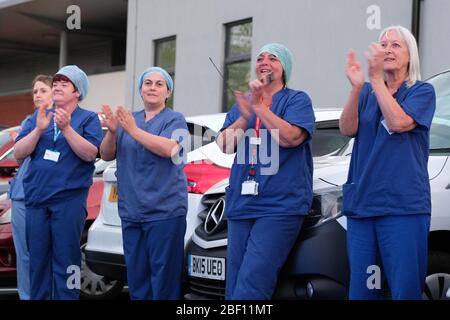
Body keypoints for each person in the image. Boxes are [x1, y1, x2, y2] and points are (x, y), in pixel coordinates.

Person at [339, 25, 436, 300]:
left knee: (404, 290)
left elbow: (398, 122)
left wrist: (376, 81)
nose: (388, 50)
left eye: (395, 45)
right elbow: (347, 129)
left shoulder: (422, 91)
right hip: (362, 207)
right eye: (383, 45)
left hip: (402, 208)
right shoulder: (368, 92)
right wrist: (358, 88)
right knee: (364, 291)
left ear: (410, 55)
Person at [216, 43, 315, 299]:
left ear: (284, 69)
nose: (265, 62)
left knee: (252, 284)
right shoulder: (242, 105)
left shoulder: (296, 99)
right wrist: (243, 116)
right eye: (260, 58)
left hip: (279, 206)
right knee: (234, 284)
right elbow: (225, 145)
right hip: (241, 204)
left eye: (274, 58)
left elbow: (292, 138)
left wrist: (261, 109)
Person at [14, 65, 103, 300]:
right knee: (38, 261)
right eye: (56, 83)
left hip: (67, 202)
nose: (58, 87)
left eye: (65, 84)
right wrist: (38, 130)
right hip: (36, 201)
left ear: (78, 92)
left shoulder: (88, 119)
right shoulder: (39, 116)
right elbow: (19, 153)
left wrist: (66, 130)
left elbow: (90, 153)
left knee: (67, 260)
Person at [100, 66, 188, 300]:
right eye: (147, 83)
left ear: (168, 92)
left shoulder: (175, 119)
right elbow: (107, 154)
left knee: (164, 281)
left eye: (159, 84)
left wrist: (133, 130)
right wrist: (111, 131)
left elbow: (170, 149)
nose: (152, 87)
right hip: (132, 212)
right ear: (140, 90)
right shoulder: (131, 119)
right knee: (138, 279)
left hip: (164, 212)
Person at [9, 74, 53, 300]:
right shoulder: (28, 121)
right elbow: (19, 157)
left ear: (54, 93)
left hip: (49, 198)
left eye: (43, 90)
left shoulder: (63, 121)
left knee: (47, 254)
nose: (38, 95)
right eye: (35, 91)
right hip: (21, 196)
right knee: (24, 255)